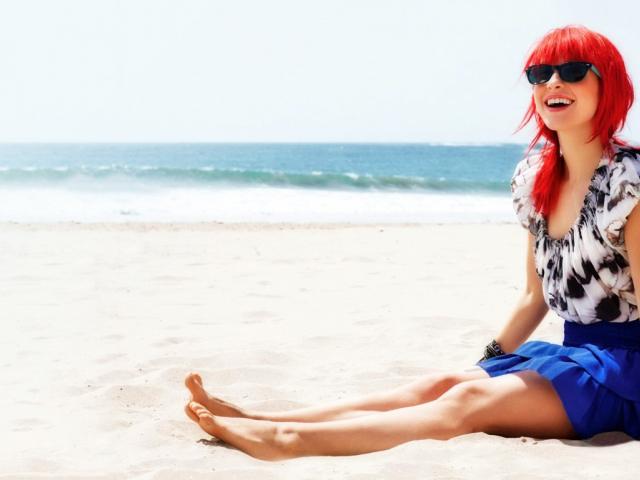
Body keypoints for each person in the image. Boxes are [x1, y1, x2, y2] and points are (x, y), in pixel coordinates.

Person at [183, 25, 640, 461]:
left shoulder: (628, 181)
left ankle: (286, 441)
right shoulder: (536, 179)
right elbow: (532, 296)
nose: (553, 82)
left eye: (573, 70)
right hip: (576, 357)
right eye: (540, 73)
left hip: (625, 372)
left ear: (609, 85)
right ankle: (261, 419)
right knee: (443, 384)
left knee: (468, 400)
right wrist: (486, 362)